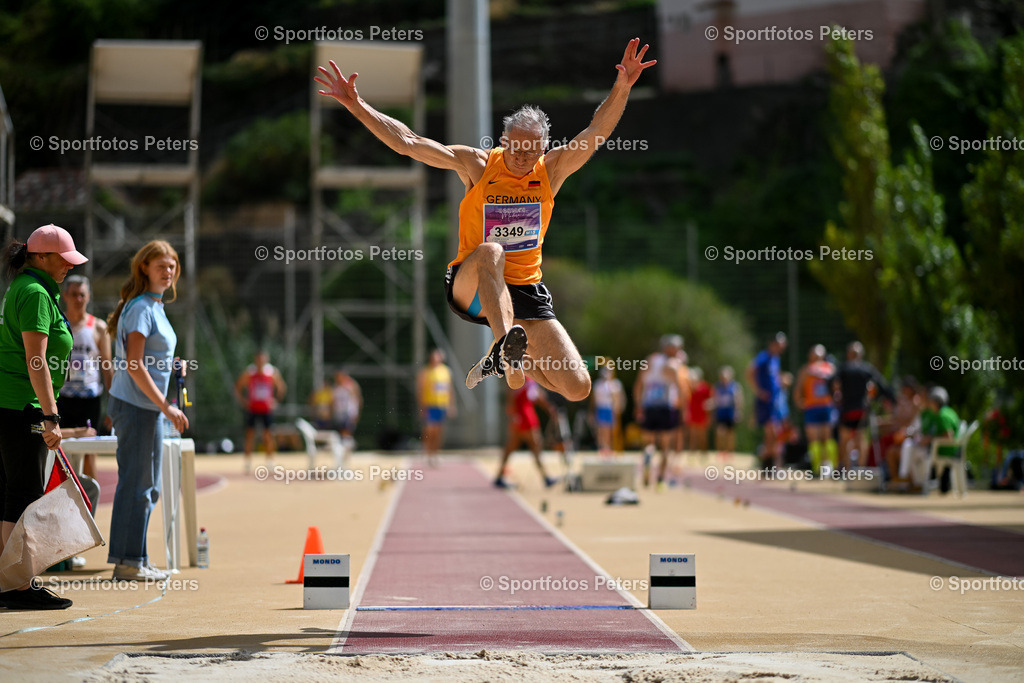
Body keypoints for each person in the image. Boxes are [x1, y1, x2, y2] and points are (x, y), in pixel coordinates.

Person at [315, 39, 656, 399]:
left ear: (542, 149)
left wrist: (622, 87)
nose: (523, 158)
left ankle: (511, 361)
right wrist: (358, 105)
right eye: (516, 149)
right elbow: (410, 142)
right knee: (492, 251)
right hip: (473, 282)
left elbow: (594, 134)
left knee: (578, 387)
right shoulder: (477, 165)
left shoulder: (552, 170)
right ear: (504, 141)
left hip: (524, 291)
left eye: (532, 151)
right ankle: (505, 346)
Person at [0, 225, 87, 610]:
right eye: (63, 258)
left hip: (12, 404)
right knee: (22, 493)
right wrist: (50, 416)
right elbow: (37, 361)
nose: (69, 265)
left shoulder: (27, 288)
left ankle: (11, 581)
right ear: (39, 257)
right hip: (23, 406)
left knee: (11, 493)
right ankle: (17, 586)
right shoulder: (35, 293)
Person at [105, 241, 188, 582]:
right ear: (144, 268)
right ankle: (127, 563)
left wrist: (173, 365)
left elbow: (149, 359)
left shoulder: (152, 306)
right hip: (137, 406)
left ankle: (135, 559)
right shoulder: (141, 307)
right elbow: (135, 364)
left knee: (147, 486)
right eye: (161, 266)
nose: (168, 272)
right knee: (138, 485)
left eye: (172, 266)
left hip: (144, 406)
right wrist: (166, 406)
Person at [57, 274, 112, 569]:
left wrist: (113, 406)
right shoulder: (59, 324)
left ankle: (89, 512)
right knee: (64, 461)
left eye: (83, 294)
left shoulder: (98, 328)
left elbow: (108, 369)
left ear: (88, 297)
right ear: (65, 296)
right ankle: (66, 528)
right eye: (74, 294)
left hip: (90, 399)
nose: (79, 299)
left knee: (90, 456)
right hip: (64, 398)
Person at [635, 335, 686, 489]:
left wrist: (638, 406)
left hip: (649, 406)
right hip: (666, 407)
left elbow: (638, 385)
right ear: (670, 348)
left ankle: (648, 462)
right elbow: (680, 389)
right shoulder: (673, 365)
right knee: (665, 446)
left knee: (648, 443)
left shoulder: (650, 360)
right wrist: (683, 409)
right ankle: (660, 479)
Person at [832, 341, 894, 469]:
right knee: (861, 440)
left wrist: (835, 396)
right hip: (861, 410)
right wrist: (886, 399)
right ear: (860, 355)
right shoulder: (866, 369)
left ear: (849, 354)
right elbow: (882, 385)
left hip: (847, 410)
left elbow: (830, 381)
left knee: (845, 439)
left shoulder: (843, 368)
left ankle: (845, 469)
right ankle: (860, 469)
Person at [494, 377, 558, 489]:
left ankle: (499, 476)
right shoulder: (520, 377)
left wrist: (548, 408)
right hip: (525, 416)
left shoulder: (529, 379)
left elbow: (536, 396)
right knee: (535, 445)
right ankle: (546, 477)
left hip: (523, 415)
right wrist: (513, 414)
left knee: (511, 447)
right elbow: (511, 396)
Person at [235, 350, 287, 473]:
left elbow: (281, 387)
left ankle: (270, 460)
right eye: (258, 359)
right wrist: (243, 401)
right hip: (253, 408)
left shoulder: (272, 373)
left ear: (266, 359)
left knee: (268, 435)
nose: (260, 362)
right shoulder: (249, 373)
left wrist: (276, 401)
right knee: (249, 435)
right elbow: (238, 386)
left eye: (262, 359)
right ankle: (247, 461)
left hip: (266, 409)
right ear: (255, 360)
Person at [747, 332, 790, 468]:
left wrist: (781, 381)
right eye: (779, 345)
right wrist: (758, 391)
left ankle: (767, 463)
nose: (781, 348)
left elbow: (774, 377)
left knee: (774, 434)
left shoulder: (775, 359)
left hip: (774, 402)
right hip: (765, 402)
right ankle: (768, 462)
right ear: (773, 344)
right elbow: (749, 372)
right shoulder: (764, 357)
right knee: (772, 432)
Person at [793, 345, 837, 474]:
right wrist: (799, 401)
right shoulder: (805, 370)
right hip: (811, 407)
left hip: (826, 407)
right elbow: (799, 388)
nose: (816, 358)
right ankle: (816, 468)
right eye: (814, 355)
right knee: (814, 438)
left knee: (826, 438)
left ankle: (830, 467)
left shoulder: (829, 368)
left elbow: (835, 385)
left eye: (819, 355)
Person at [417, 349, 456, 467]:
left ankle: (435, 453)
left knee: (439, 431)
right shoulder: (425, 372)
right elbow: (421, 390)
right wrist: (421, 406)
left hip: (442, 405)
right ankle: (426, 452)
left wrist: (451, 405)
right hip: (430, 405)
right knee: (430, 430)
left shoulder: (446, 371)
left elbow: (450, 389)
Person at [591, 366, 625, 455]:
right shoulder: (598, 384)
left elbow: (618, 398)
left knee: (610, 430)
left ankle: (610, 448)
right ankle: (602, 448)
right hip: (601, 408)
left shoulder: (615, 384)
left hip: (610, 409)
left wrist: (617, 409)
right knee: (602, 430)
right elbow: (594, 400)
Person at [712, 366, 742, 454]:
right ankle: (721, 451)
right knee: (720, 432)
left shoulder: (735, 386)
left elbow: (739, 400)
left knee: (730, 434)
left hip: (730, 412)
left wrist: (738, 411)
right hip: (721, 413)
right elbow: (715, 399)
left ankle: (729, 452)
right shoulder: (717, 386)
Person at [331, 368, 362, 443]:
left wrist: (357, 413)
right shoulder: (335, 387)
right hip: (339, 413)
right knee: (340, 432)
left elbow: (358, 399)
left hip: (349, 413)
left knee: (347, 432)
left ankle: (347, 446)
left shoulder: (351, 385)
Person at [686, 367, 712, 452]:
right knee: (692, 436)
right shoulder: (689, 387)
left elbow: (712, 399)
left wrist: (708, 405)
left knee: (702, 436)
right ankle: (692, 452)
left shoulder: (705, 387)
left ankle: (703, 452)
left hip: (702, 414)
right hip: (693, 414)